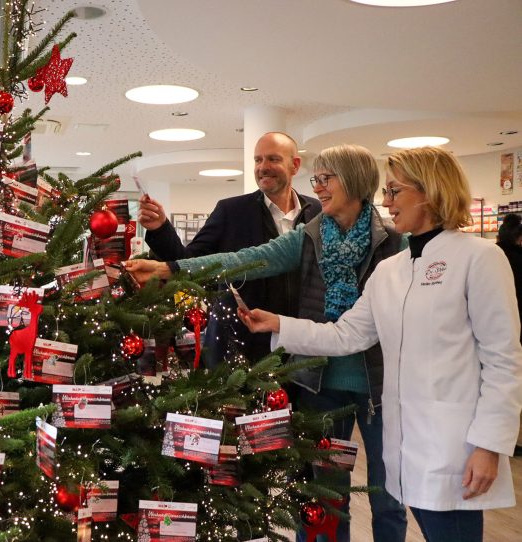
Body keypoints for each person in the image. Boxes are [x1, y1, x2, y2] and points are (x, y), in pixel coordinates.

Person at [238, 147, 522, 542]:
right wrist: (278, 323)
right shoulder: (392, 270)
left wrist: (490, 445)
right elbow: (346, 334)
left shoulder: (481, 258)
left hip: (456, 446)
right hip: (404, 442)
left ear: (429, 192)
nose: (386, 202)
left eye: (394, 190)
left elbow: (503, 360)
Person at [126, 144, 408, 542]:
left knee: (389, 496)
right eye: (318, 180)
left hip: (380, 387)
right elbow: (245, 259)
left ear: (355, 182)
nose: (320, 188)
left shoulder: (396, 246)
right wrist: (168, 267)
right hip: (319, 383)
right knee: (325, 496)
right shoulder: (309, 236)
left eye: (327, 179)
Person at [137, 132, 320, 366]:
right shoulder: (232, 211)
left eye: (273, 159)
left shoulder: (317, 213)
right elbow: (189, 260)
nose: (263, 167)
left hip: (302, 346)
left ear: (295, 165)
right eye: (258, 160)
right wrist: (161, 228)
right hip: (240, 351)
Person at [496, 212, 522, 342]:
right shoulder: (518, 257)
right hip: (516, 316)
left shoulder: (489, 255)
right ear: (519, 238)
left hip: (493, 318)